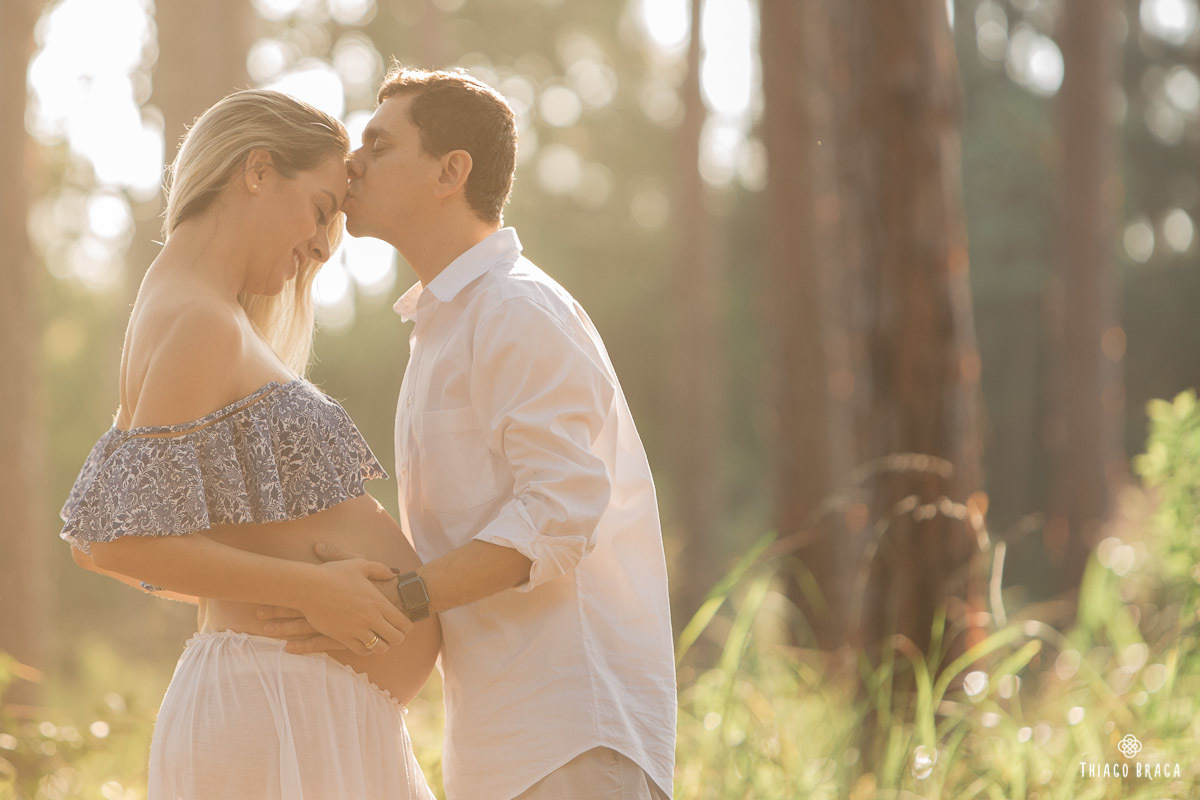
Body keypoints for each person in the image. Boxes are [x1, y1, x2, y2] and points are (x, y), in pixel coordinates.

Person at [258, 67, 678, 800]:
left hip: (572, 737)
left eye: (380, 145)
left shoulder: (517, 310)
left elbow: (560, 514)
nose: (353, 162)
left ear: (451, 171)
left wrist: (395, 600)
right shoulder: (442, 325)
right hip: (501, 747)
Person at [58, 88, 441, 799]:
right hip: (273, 711)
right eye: (322, 209)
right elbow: (115, 542)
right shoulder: (199, 320)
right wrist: (312, 590)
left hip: (294, 709)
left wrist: (307, 596)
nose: (327, 245)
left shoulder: (192, 310)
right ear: (256, 170)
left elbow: (92, 537)